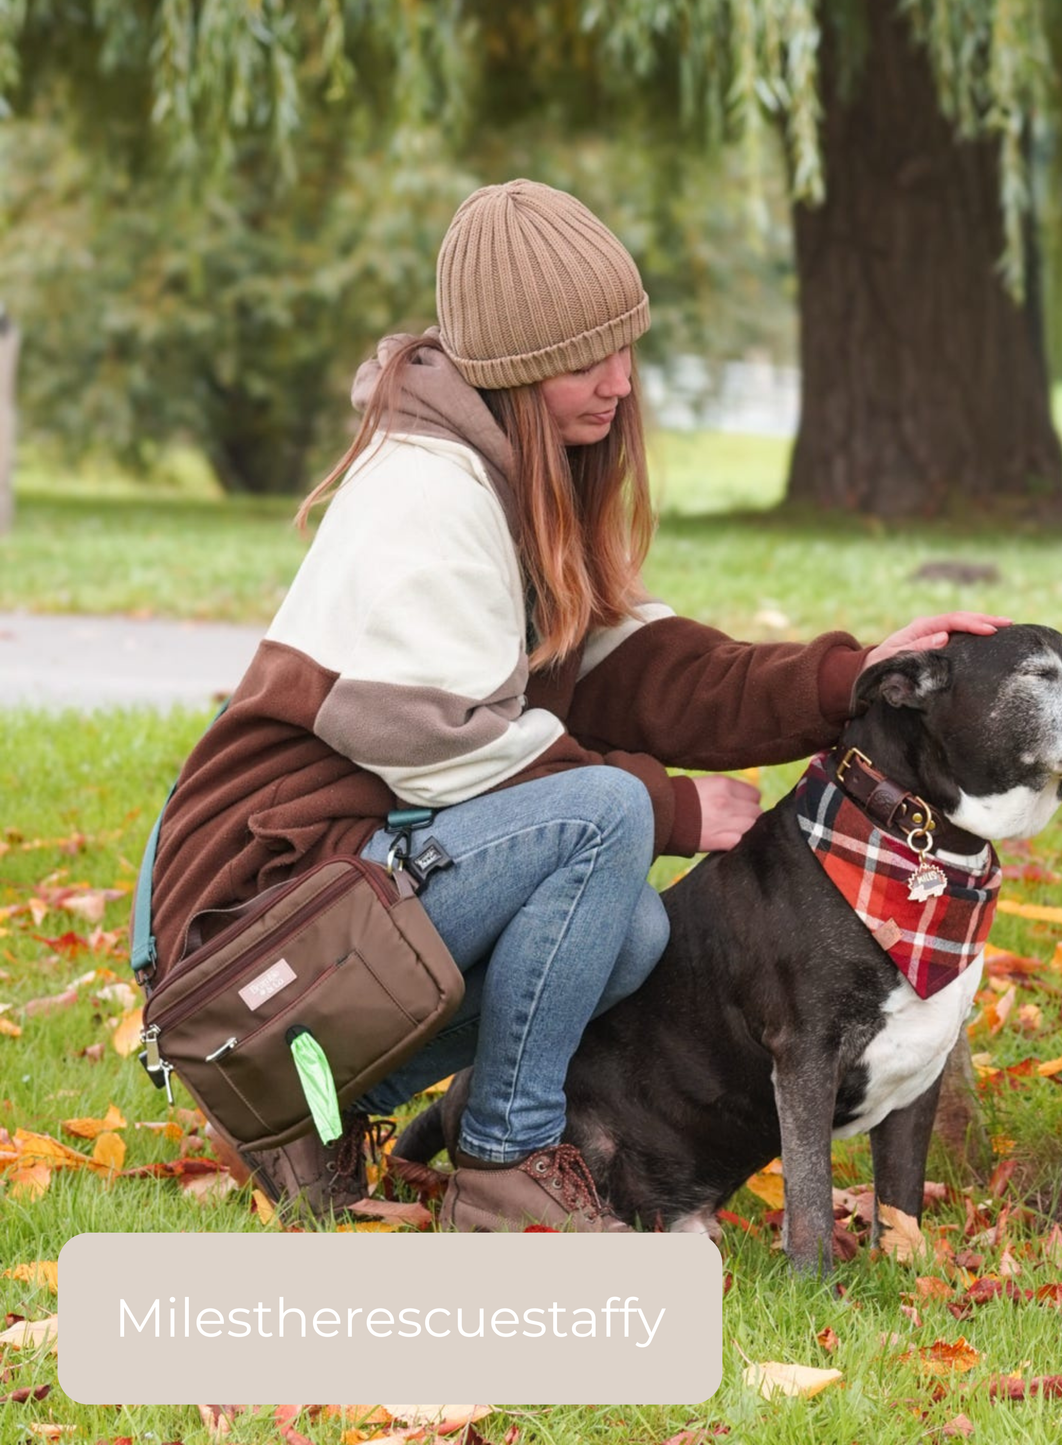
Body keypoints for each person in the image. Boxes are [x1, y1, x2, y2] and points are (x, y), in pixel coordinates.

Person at [147, 178, 1007, 1233]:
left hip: (348, 893)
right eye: (584, 359)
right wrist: (671, 808)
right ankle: (506, 1165)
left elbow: (656, 671)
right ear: (510, 368)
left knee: (631, 932)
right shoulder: (428, 494)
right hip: (255, 909)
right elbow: (443, 752)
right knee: (606, 814)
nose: (622, 382)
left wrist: (850, 677)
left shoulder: (519, 479)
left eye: (626, 345)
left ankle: (310, 1118)